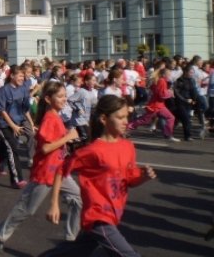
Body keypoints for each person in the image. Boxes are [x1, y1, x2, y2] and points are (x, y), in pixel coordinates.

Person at [40, 95, 156, 257]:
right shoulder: (92, 151)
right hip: (98, 216)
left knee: (74, 251)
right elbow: (60, 170)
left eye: (126, 117)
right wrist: (54, 204)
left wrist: (144, 177)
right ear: (104, 119)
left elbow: (129, 180)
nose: (125, 121)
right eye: (120, 117)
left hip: (114, 212)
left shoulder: (128, 146)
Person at [0, 81, 81, 253]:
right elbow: (46, 148)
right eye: (60, 96)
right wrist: (68, 137)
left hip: (60, 170)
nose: (65, 99)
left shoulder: (56, 116)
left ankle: (71, 240)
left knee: (78, 199)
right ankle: (0, 232)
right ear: (48, 99)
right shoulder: (50, 118)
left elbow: (56, 144)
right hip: (46, 172)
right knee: (27, 209)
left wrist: (69, 142)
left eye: (65, 96)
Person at [0, 66, 34, 188]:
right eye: (20, 76)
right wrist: (13, 126)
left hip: (18, 123)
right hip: (4, 125)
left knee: (4, 148)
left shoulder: (23, 90)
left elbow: (25, 109)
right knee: (13, 149)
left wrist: (31, 122)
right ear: (12, 76)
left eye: (23, 76)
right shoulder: (4, 90)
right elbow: (1, 110)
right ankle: (16, 180)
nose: (23, 78)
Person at [128, 67, 179, 142]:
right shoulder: (162, 81)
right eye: (169, 74)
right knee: (144, 120)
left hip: (159, 105)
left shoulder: (161, 80)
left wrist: (168, 92)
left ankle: (168, 135)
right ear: (164, 74)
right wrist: (170, 93)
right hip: (155, 106)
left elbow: (156, 91)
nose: (170, 75)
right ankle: (127, 127)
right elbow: (161, 94)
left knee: (171, 117)